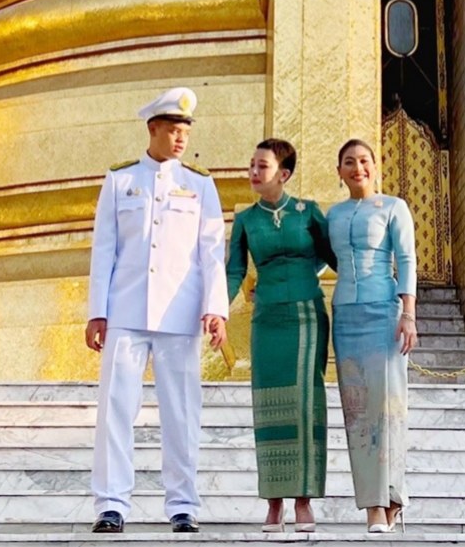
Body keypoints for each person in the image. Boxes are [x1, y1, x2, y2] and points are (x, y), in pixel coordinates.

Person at [85, 87, 228, 535]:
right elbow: (104, 250)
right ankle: (111, 504)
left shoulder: (200, 184)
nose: (180, 138)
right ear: (153, 129)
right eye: (172, 129)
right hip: (126, 309)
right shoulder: (120, 180)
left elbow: (210, 253)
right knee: (115, 410)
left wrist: (215, 308)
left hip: (178, 313)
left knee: (182, 412)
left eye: (185, 130)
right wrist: (96, 311)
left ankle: (183, 504)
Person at [226, 139, 338, 533]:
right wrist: (218, 309)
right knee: (269, 404)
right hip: (267, 319)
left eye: (262, 166)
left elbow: (331, 254)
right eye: (252, 165)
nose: (254, 172)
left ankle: (304, 499)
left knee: (306, 402)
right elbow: (234, 270)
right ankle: (274, 502)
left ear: (283, 174)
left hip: (307, 314)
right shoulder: (245, 219)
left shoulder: (308, 212)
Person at [326, 139, 417, 534]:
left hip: (384, 313)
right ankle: (376, 501)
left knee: (386, 409)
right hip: (345, 313)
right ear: (340, 171)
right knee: (357, 412)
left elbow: (408, 258)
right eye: (349, 162)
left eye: (364, 161)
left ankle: (386, 499)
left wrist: (409, 314)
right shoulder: (333, 214)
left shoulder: (394, 207)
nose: (357, 168)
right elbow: (322, 258)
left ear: (376, 166)